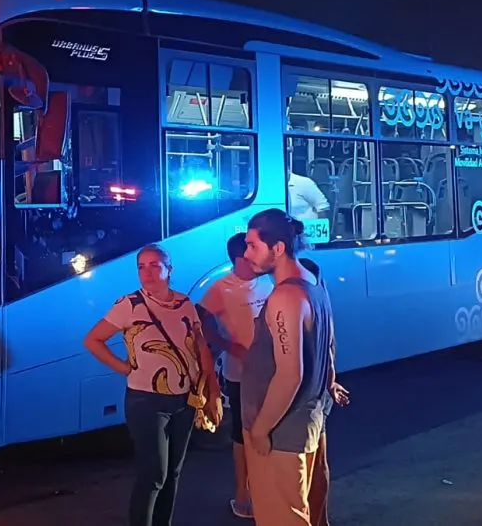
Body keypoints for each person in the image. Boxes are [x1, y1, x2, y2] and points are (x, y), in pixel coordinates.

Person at [84, 243, 220, 526]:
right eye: (141, 266)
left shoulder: (184, 303)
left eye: (154, 265)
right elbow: (93, 339)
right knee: (153, 475)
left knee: (173, 473)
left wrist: (209, 386)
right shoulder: (129, 305)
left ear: (169, 270)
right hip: (146, 401)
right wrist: (123, 368)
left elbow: (200, 346)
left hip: (185, 400)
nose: (146, 272)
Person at [240, 209, 335, 525]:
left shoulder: (285, 297)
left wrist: (260, 429)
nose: (246, 253)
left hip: (281, 434)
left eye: (253, 246)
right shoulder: (312, 283)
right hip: (305, 424)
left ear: (277, 248)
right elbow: (330, 345)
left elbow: (290, 374)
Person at [199, 233, 275, 520]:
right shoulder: (221, 288)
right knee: (242, 436)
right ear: (239, 257)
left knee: (269, 430)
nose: (258, 256)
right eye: (252, 250)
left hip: (271, 372)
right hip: (239, 376)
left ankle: (266, 490)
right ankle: (243, 494)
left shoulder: (267, 282)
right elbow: (199, 322)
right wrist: (227, 345)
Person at [297, 257, 350, 526]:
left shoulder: (304, 307)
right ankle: (321, 520)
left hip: (307, 399)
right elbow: (329, 352)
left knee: (308, 468)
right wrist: (330, 383)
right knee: (318, 462)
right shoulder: (322, 304)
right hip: (320, 394)